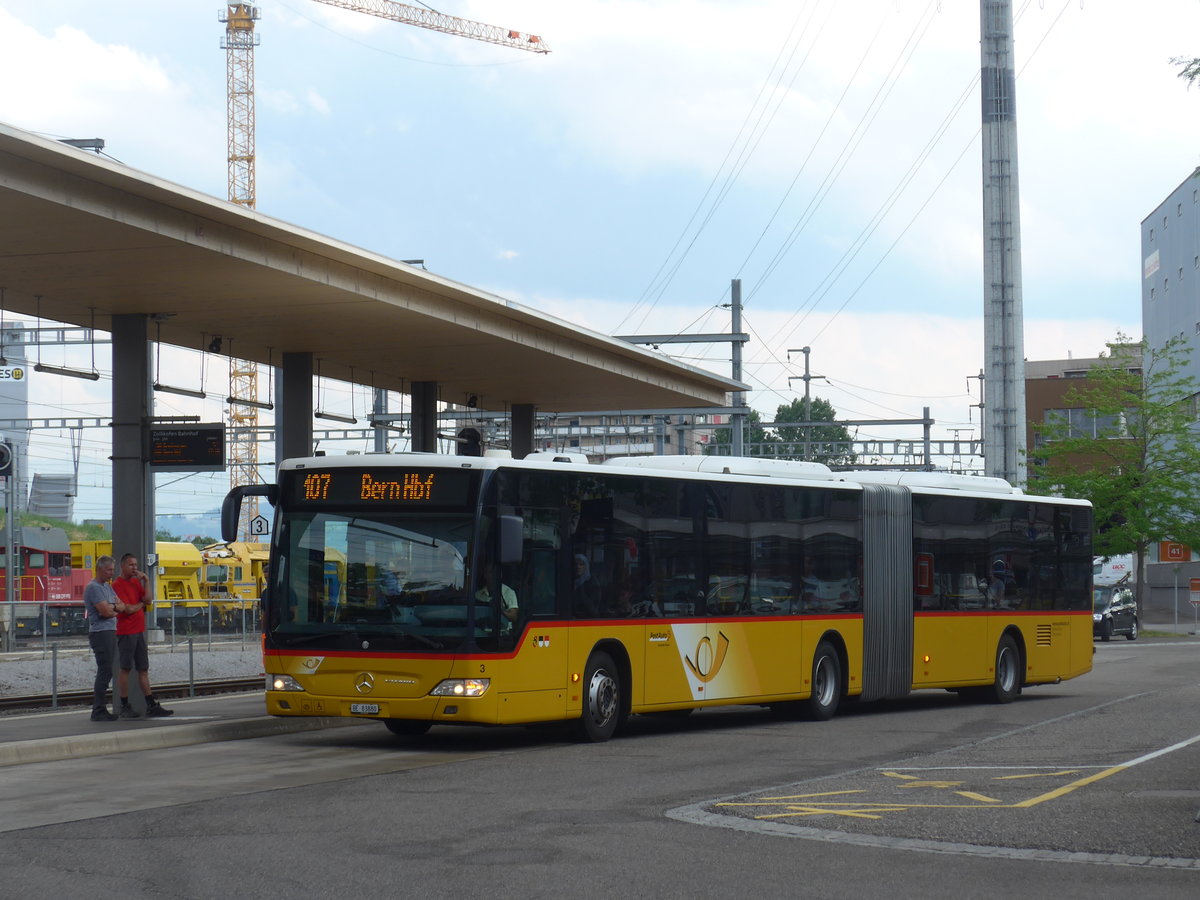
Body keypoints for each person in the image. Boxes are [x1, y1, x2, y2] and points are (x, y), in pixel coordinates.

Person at [112, 553, 173, 718]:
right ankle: (124, 705)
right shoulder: (117, 585)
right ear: (123, 566)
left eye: (135, 565)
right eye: (131, 564)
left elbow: (149, 599)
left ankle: (151, 705)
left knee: (143, 668)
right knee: (125, 668)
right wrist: (141, 604)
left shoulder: (135, 582)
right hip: (126, 631)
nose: (134, 568)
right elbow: (129, 609)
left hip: (139, 630)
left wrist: (146, 580)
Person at [83, 555, 120, 722]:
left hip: (110, 631)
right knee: (105, 670)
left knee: (109, 670)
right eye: (109, 570)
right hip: (101, 633)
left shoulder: (107, 587)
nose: (112, 573)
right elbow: (106, 612)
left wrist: (112, 608)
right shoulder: (94, 588)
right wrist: (113, 608)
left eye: (112, 569)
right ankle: (98, 710)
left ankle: (100, 708)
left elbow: (121, 605)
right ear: (100, 569)